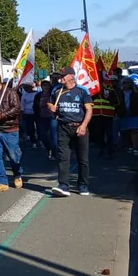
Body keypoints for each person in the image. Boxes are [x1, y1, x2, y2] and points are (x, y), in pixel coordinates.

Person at [48, 67, 94, 197]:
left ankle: (83, 185)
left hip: (79, 126)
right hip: (63, 127)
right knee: (63, 157)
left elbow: (89, 110)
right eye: (59, 75)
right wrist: (52, 109)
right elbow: (51, 106)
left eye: (63, 75)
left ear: (71, 76)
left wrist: (84, 125)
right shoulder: (56, 90)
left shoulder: (82, 91)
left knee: (82, 159)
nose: (60, 78)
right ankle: (63, 185)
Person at [114, 77, 138, 156]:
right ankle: (127, 146)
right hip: (123, 114)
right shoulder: (119, 93)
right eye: (124, 83)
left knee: (133, 131)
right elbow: (116, 104)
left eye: (127, 83)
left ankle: (135, 147)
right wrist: (116, 113)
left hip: (133, 114)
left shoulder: (134, 93)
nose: (125, 85)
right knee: (124, 131)